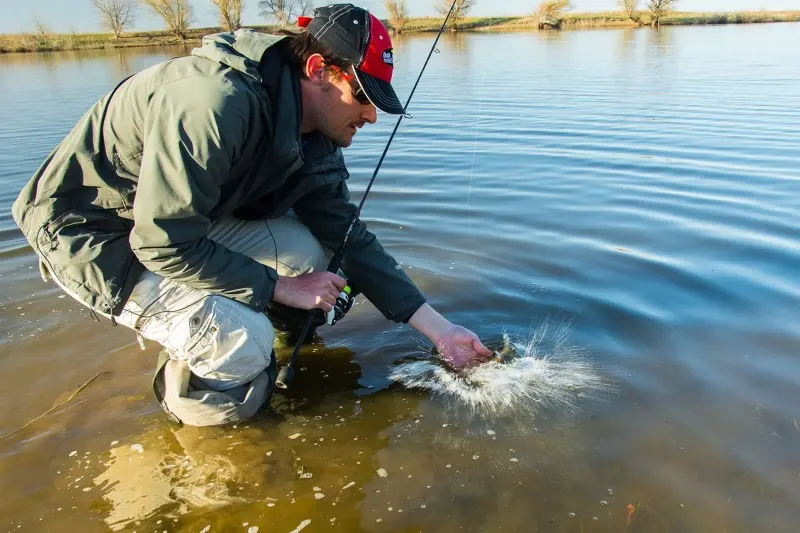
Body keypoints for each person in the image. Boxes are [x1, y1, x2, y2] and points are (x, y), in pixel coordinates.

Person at [11, 3, 492, 426]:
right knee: (241, 337)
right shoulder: (214, 104)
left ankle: (257, 345)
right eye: (364, 97)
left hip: (177, 223)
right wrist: (279, 287)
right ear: (320, 69)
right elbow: (161, 241)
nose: (371, 117)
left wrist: (440, 331)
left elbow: (347, 233)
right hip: (95, 234)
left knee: (319, 258)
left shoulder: (316, 129)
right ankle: (207, 429)